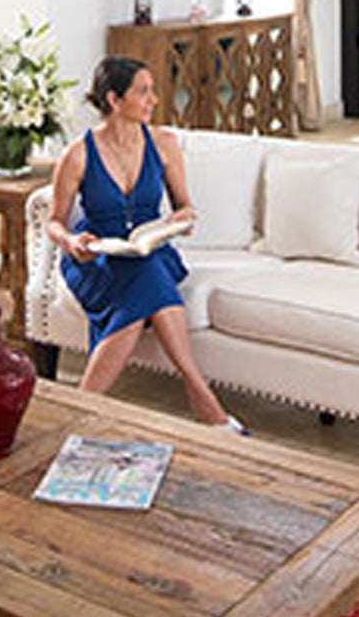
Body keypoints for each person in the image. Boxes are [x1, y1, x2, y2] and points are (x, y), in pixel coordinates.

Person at [42, 56, 246, 433]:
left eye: (152, 90)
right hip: (96, 259)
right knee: (149, 281)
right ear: (114, 100)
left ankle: (81, 410)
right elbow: (54, 221)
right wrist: (71, 241)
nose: (154, 99)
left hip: (149, 249)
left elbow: (185, 205)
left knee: (148, 270)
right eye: (143, 92)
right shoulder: (78, 154)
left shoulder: (164, 144)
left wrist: (180, 220)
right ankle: (203, 399)